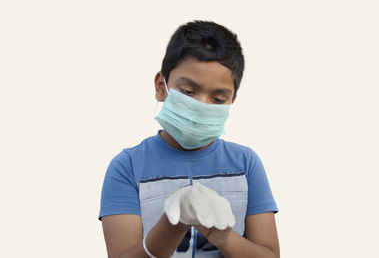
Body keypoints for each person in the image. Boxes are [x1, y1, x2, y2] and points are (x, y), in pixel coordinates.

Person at [98, 20, 280, 258]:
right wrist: (172, 224)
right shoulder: (127, 166)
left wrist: (224, 237)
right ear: (161, 86)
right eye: (188, 91)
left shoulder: (246, 164)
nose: (201, 106)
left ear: (232, 100)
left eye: (217, 99)